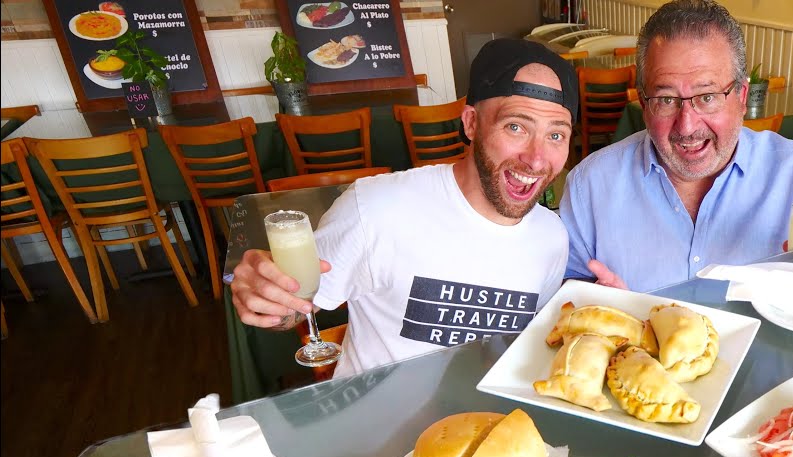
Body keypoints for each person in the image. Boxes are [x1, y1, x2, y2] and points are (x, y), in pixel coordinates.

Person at [230, 38, 578, 378]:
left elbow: (529, 347)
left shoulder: (552, 238)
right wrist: (265, 296)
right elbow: (295, 307)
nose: (535, 159)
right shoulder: (375, 208)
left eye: (556, 135)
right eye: (516, 127)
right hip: (376, 428)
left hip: (484, 426)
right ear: (471, 123)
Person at [559, 0, 793, 293]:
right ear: (644, 104)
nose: (687, 126)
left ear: (742, 98)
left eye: (707, 97)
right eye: (665, 99)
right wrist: (594, 305)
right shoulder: (590, 184)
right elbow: (561, 296)